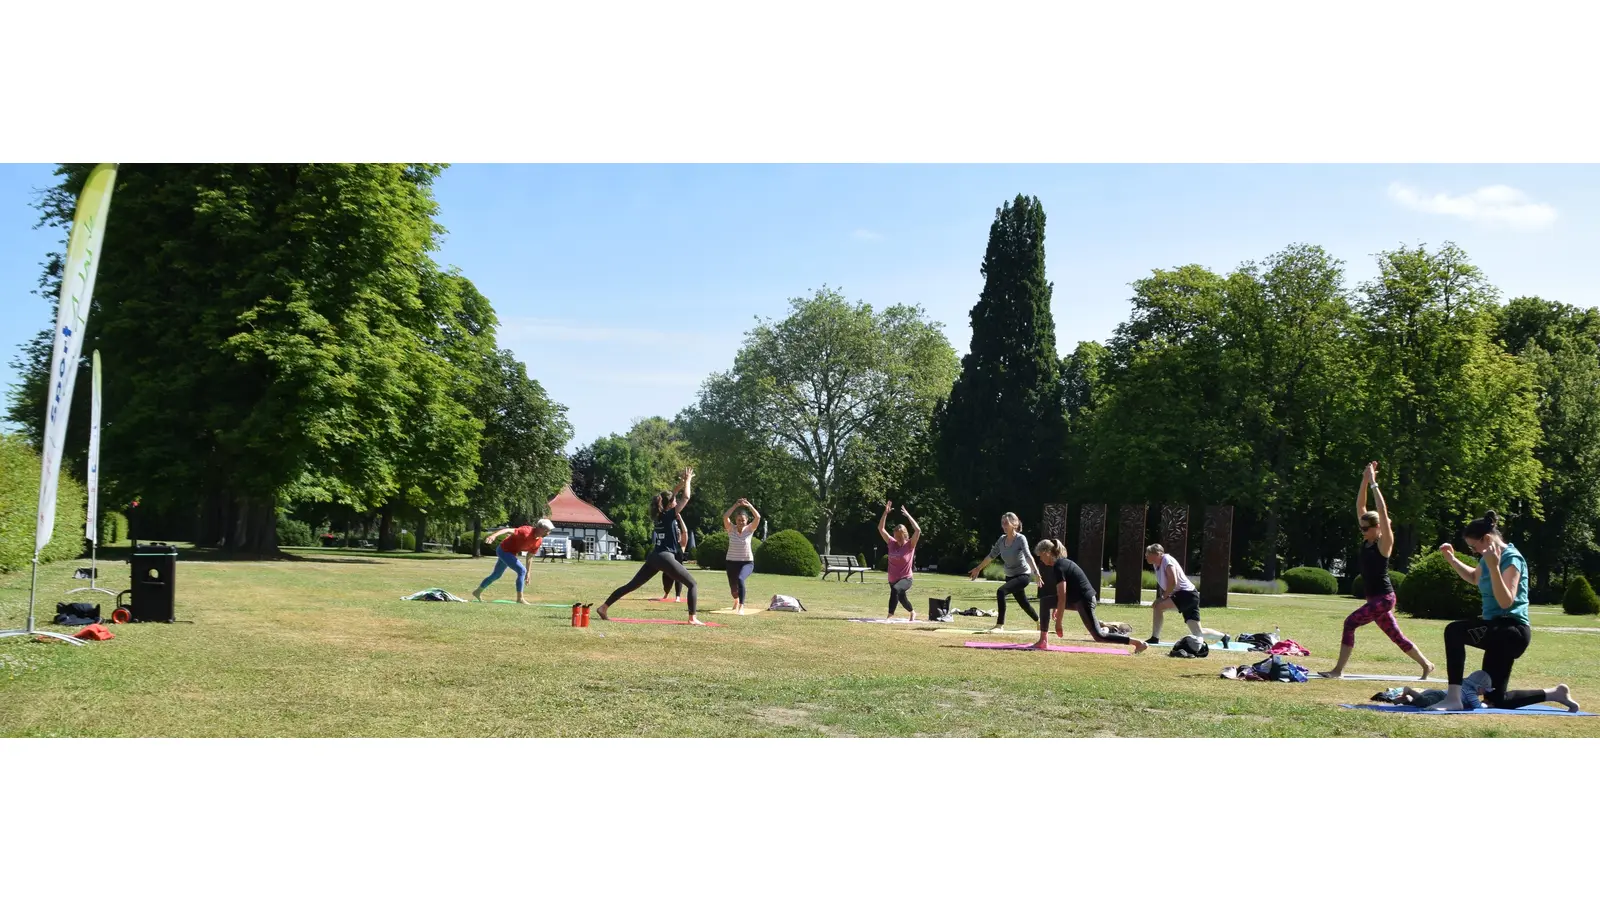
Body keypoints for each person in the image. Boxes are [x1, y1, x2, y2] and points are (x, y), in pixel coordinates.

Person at [1426, 510, 1580, 712]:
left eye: (1474, 546)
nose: (1474, 551)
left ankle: (1454, 697)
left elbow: (1506, 601)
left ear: (1487, 539)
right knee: (1496, 699)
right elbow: (1474, 578)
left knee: (1454, 631)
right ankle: (1555, 693)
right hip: (1496, 631)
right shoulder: (1486, 558)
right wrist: (1452, 560)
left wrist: (1495, 567)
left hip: (1512, 632)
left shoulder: (1511, 558)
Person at [1319, 462, 1434, 679]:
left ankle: (1337, 671)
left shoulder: (1384, 542)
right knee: (1396, 636)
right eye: (1361, 528)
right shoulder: (1367, 539)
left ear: (1377, 526)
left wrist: (1374, 483)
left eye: (1365, 528)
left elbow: (1381, 510)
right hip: (1375, 598)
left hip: (1383, 598)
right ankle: (1427, 664)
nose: (1361, 531)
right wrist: (1364, 479)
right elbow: (1360, 506)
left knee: (1349, 623)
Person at [597, 468, 704, 625]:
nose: (676, 502)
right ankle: (692, 618)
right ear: (670, 505)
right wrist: (687, 482)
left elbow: (671, 496)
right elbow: (686, 497)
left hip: (655, 556)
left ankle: (604, 607)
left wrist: (681, 483)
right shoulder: (668, 516)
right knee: (692, 584)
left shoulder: (659, 515)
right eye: (674, 502)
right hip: (665, 556)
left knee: (631, 585)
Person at [1031, 539, 1148, 653]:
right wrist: (1055, 606)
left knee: (1099, 636)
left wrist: (1059, 623)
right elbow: (1063, 593)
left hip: (1084, 600)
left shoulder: (1059, 566)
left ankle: (1138, 643)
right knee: (1045, 602)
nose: (1040, 559)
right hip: (1077, 599)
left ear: (1047, 553)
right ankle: (1043, 640)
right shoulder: (1061, 564)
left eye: (1041, 556)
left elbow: (1062, 597)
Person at [1144, 543, 1229, 647]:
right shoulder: (1156, 564)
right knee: (1198, 632)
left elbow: (1173, 581)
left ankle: (1154, 638)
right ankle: (1223, 637)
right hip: (1189, 595)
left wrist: (1162, 598)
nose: (1146, 555)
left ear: (1158, 554)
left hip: (1186, 594)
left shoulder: (1167, 560)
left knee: (1158, 607)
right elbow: (1167, 584)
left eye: (1148, 553)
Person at [969, 513, 1039, 629]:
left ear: (1014, 524)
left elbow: (1028, 556)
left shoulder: (1021, 539)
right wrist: (978, 568)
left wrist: (1036, 572)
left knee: (1001, 592)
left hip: (1023, 576)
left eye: (1006, 523)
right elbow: (991, 556)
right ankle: (1039, 621)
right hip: (1010, 576)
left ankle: (999, 624)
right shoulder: (1002, 539)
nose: (1003, 526)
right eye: (1002, 523)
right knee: (1023, 603)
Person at [473, 519, 554, 604]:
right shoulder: (526, 531)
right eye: (547, 531)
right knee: (521, 570)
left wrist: (529, 573)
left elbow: (529, 556)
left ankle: (477, 592)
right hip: (503, 550)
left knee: (496, 575)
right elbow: (507, 530)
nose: (548, 533)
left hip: (510, 553)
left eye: (549, 531)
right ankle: (520, 599)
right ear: (539, 528)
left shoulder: (539, 541)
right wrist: (494, 536)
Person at [878, 500, 921, 620]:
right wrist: (885, 513)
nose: (897, 539)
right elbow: (881, 529)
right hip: (892, 579)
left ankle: (890, 615)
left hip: (906, 578)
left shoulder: (910, 545)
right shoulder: (891, 543)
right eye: (896, 536)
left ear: (905, 535)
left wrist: (908, 516)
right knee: (902, 598)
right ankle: (912, 612)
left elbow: (918, 530)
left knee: (896, 590)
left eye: (899, 537)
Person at [1372, 670, 1493, 709]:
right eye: (1485, 690)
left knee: (1416, 703)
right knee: (1424, 703)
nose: (1484, 693)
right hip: (1440, 697)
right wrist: (1486, 705)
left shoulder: (1463, 685)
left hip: (1438, 693)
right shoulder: (1471, 693)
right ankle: (1409, 691)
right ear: (1479, 687)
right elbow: (1477, 707)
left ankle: (1401, 700)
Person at [723, 498, 761, 613]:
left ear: (746, 520)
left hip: (747, 562)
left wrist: (749, 506)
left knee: (740, 579)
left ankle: (741, 606)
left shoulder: (750, 529)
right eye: (739, 520)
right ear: (736, 520)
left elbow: (758, 517)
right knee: (733, 589)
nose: (740, 522)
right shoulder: (731, 529)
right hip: (731, 562)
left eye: (743, 520)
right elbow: (725, 517)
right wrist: (735, 505)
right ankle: (736, 600)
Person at [656, 510, 694, 602]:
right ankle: (666, 593)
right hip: (668, 569)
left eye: (679, 534)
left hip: (678, 567)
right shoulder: (669, 545)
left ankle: (678, 596)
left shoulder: (681, 545)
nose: (679, 536)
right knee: (666, 584)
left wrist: (680, 519)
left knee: (678, 578)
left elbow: (685, 531)